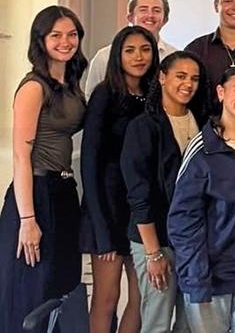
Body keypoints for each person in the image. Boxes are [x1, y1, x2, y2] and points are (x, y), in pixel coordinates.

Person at [169, 66, 235, 333]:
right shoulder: (202, 148)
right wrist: (196, 276)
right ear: (221, 93)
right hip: (213, 273)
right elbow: (183, 219)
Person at [0, 6, 87, 333]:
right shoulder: (34, 87)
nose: (66, 42)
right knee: (31, 288)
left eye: (72, 34)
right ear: (41, 40)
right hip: (36, 194)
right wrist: (28, 220)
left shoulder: (70, 82)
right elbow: (21, 157)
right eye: (56, 35)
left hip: (63, 192)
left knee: (60, 285)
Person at [121, 51, 209, 332]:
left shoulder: (203, 122)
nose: (188, 84)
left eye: (194, 78)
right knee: (157, 322)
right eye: (180, 76)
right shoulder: (143, 126)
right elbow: (139, 194)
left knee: (190, 323)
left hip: (192, 240)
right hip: (156, 238)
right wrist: (153, 253)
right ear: (162, 77)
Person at [81, 26, 159, 333]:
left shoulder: (155, 95)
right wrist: (101, 230)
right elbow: (89, 162)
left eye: (145, 49)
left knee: (142, 298)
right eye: (130, 50)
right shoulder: (105, 94)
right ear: (117, 55)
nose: (139, 57)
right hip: (107, 207)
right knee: (107, 297)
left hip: (141, 208)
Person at [85, 0, 177, 94]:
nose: (150, 15)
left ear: (165, 19)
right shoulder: (104, 57)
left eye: (156, 11)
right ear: (130, 18)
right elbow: (91, 96)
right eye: (143, 10)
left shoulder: (173, 56)